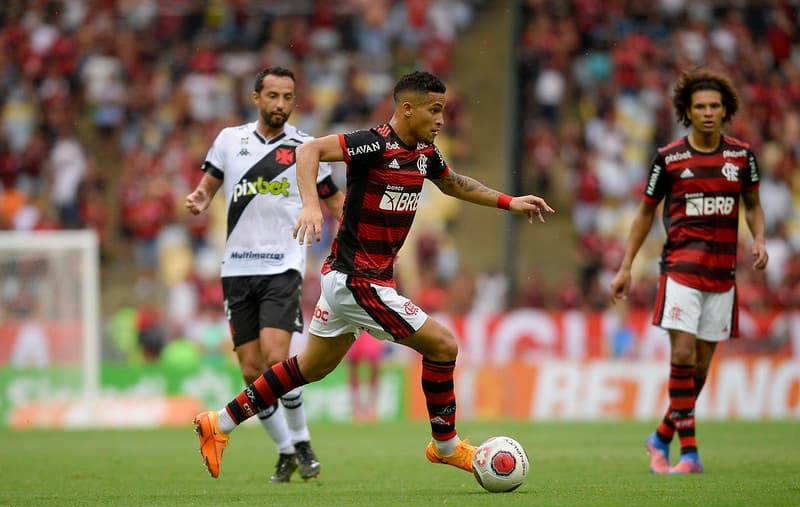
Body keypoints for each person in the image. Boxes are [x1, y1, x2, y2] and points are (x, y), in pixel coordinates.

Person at [192, 70, 554, 479]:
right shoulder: (373, 143)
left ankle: (218, 423)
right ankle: (447, 446)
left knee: (309, 368)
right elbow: (308, 151)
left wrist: (510, 202)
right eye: (434, 110)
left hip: (353, 280)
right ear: (407, 108)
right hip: (357, 280)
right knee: (443, 346)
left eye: (443, 111)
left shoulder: (424, 154)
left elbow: (454, 184)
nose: (440, 120)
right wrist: (311, 204)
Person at [185, 66, 345, 483]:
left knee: (277, 358)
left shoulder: (307, 147)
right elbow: (208, 185)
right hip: (236, 268)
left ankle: (304, 442)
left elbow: (332, 200)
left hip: (283, 264)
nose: (279, 104)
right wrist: (200, 198)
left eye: (287, 97)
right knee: (251, 370)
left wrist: (353, 236)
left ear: (295, 101)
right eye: (272, 95)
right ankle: (286, 451)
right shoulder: (228, 141)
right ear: (256, 97)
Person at [609, 66, 768, 474]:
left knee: (698, 370)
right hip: (679, 269)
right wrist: (626, 266)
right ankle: (691, 454)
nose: (709, 112)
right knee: (681, 353)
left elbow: (752, 204)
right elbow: (645, 214)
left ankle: (661, 435)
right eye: (700, 106)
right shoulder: (669, 159)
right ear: (687, 111)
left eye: (715, 105)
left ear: (725, 109)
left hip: (722, 275)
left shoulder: (741, 156)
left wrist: (759, 238)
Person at [346, 329, 386, 422]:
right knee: (353, 367)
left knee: (375, 366)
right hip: (353, 327)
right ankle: (356, 409)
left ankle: (372, 407)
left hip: (370, 326)